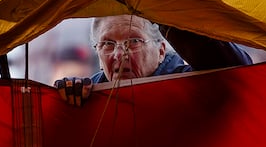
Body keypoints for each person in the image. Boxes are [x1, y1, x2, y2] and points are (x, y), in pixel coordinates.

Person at [54, 15, 251, 105]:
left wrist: (162, 13)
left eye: (133, 41)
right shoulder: (89, 95)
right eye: (107, 44)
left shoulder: (192, 85)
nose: (119, 54)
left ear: (161, 51)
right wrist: (64, 101)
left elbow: (242, 77)